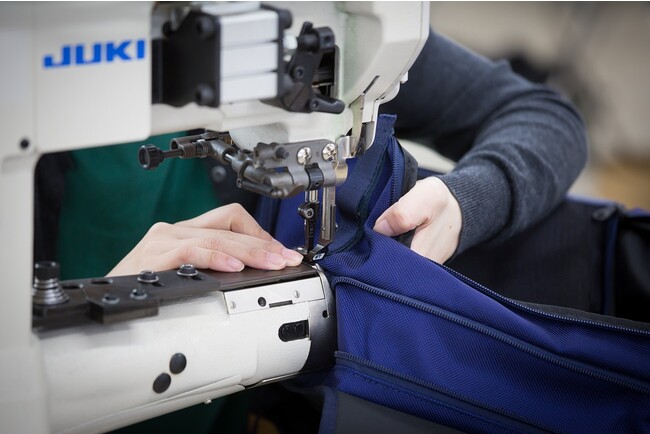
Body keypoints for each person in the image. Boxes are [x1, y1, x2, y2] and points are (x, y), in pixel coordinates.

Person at [34, 29, 587, 433]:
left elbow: (545, 116)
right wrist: (85, 321)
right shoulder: (36, 58)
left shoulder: (326, 20)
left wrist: (465, 202)